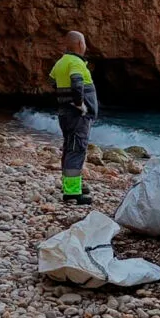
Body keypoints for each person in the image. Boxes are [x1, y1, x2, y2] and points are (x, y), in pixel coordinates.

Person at [49, 31, 98, 205]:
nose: (85, 46)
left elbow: (53, 81)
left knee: (70, 148)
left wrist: (65, 100)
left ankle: (71, 184)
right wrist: (79, 104)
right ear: (79, 44)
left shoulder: (60, 63)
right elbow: (77, 83)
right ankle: (72, 193)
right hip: (78, 116)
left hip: (65, 114)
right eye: (84, 42)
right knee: (76, 150)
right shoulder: (76, 62)